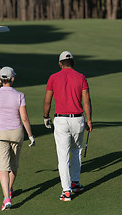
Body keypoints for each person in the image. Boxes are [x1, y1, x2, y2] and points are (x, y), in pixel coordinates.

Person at [0, 66, 35, 210]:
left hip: (0, 134)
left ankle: (6, 197)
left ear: (0, 79)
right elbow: (24, 117)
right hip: (17, 133)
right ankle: (9, 190)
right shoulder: (19, 95)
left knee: (3, 167)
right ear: (12, 78)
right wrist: (30, 135)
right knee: (13, 166)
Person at [43, 51, 92, 202]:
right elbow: (86, 101)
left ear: (60, 63)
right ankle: (75, 183)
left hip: (61, 120)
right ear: (73, 63)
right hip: (78, 119)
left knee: (63, 154)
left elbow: (47, 101)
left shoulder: (53, 77)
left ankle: (66, 191)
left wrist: (46, 116)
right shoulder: (81, 77)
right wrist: (89, 120)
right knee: (77, 150)